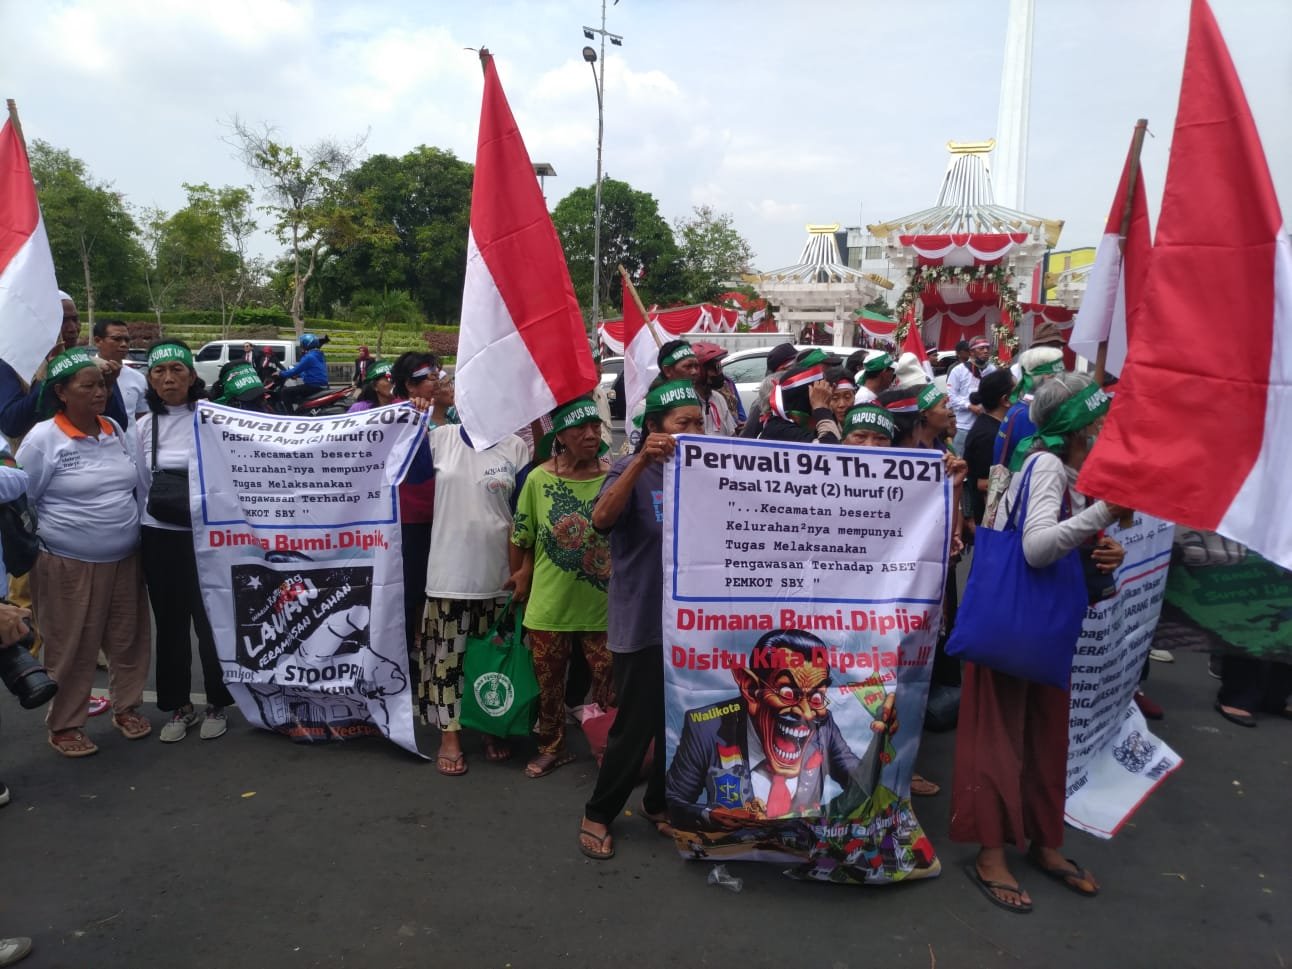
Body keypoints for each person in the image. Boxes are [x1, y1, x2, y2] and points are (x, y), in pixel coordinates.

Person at [952, 372, 1128, 913]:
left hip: (1044, 627)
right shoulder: (1047, 465)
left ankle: (1043, 840)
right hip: (1016, 628)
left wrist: (1106, 546)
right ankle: (991, 854)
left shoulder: (1072, 469)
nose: (1105, 427)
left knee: (1045, 735)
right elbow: (1036, 548)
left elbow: (1069, 540)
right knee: (1000, 737)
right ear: (1078, 425)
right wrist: (1104, 512)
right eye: (1098, 419)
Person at [578, 380, 706, 860]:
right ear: (654, 427)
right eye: (682, 423)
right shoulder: (629, 471)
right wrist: (638, 462)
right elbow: (601, 520)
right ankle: (598, 813)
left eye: (699, 422)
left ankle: (658, 803)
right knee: (635, 726)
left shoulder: (704, 470)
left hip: (692, 625)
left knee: (684, 719)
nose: (693, 431)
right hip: (643, 620)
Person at [17, 349, 151, 756]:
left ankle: (126, 707)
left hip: (125, 558)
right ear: (61, 392)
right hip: (67, 563)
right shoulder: (43, 439)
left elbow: (133, 486)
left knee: (128, 640)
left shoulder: (113, 428)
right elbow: (23, 499)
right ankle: (65, 725)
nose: (99, 393)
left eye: (103, 385)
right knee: (71, 645)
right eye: (88, 386)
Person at [665, 629, 896, 830]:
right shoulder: (706, 727)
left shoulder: (823, 726)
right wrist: (710, 815)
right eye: (787, 693)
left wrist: (881, 739)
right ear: (751, 689)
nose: (806, 713)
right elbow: (674, 802)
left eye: (816, 697)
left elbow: (861, 786)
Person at [508, 397, 613, 779]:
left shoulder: (613, 477)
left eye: (595, 427)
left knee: (609, 684)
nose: (591, 435)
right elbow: (521, 535)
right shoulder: (538, 479)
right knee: (549, 684)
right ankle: (552, 747)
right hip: (550, 605)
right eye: (580, 429)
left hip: (604, 607)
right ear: (561, 437)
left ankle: (609, 748)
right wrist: (521, 576)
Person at [417, 418, 529, 775]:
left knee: (491, 660)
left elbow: (525, 514)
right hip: (450, 574)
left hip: (500, 576)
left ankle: (489, 725)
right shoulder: (440, 439)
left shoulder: (515, 447)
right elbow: (411, 475)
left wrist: (524, 569)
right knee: (447, 661)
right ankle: (450, 735)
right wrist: (415, 423)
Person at [135, 340, 233, 743]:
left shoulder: (215, 418)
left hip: (208, 538)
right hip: (161, 537)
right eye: (159, 371)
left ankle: (218, 703)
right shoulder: (144, 426)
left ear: (193, 376)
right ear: (150, 380)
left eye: (177, 369)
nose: (169, 378)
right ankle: (178, 705)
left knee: (211, 623)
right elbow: (142, 484)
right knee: (171, 625)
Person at [390, 352, 441, 658]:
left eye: (437, 377)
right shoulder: (400, 416)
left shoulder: (433, 413)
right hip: (411, 518)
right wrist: (417, 421)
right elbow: (419, 470)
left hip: (436, 513)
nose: (437, 383)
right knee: (411, 590)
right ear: (410, 384)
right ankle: (407, 655)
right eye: (430, 378)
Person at [994, 347, 1066, 471]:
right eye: (1060, 377)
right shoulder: (1029, 415)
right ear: (1048, 377)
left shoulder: (1023, 407)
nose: (1064, 383)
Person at [625, 340, 701, 449]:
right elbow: (635, 450)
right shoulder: (645, 406)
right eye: (688, 366)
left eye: (696, 366)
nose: (694, 372)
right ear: (668, 370)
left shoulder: (697, 400)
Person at [963, 370, 1016, 525]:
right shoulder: (987, 435)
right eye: (1018, 390)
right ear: (1006, 400)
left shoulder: (997, 426)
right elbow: (984, 484)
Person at [757, 350, 840, 444]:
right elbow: (830, 448)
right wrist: (822, 409)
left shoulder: (795, 425)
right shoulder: (780, 429)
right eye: (819, 395)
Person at [91, 319, 148, 426]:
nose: (124, 344)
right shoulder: (84, 374)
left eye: (127, 340)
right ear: (98, 341)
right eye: (116, 339)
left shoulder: (138, 378)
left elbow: (141, 419)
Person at [947, 336, 995, 452]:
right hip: (964, 426)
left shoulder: (992, 370)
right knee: (959, 459)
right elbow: (951, 396)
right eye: (981, 348)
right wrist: (969, 406)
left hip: (986, 425)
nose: (986, 351)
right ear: (972, 352)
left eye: (987, 348)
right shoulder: (958, 370)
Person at [739, 342, 797, 438]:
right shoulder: (763, 403)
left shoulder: (801, 394)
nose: (797, 371)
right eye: (791, 367)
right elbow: (748, 437)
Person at [276, 333, 329, 410]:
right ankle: (302, 410)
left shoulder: (308, 357)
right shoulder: (319, 355)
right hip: (322, 385)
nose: (301, 346)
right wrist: (299, 375)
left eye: (302, 344)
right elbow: (312, 371)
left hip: (313, 386)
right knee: (297, 393)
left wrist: (280, 373)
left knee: (285, 392)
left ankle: (291, 415)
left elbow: (295, 370)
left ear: (306, 344)